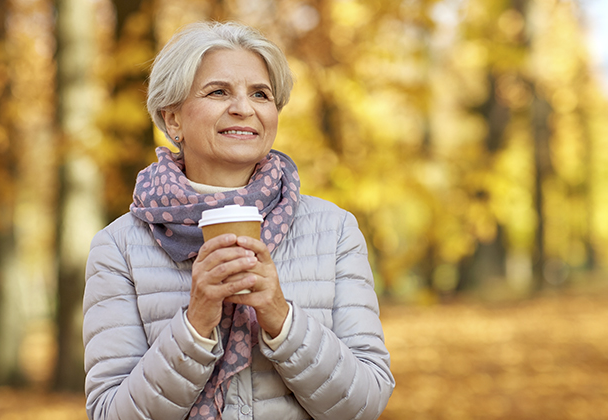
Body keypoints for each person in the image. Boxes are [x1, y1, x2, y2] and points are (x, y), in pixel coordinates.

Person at [82, 21, 395, 420]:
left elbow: (364, 405)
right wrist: (195, 324)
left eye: (260, 94)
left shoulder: (333, 230)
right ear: (172, 118)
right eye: (218, 92)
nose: (244, 108)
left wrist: (281, 318)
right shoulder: (119, 247)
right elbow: (110, 414)